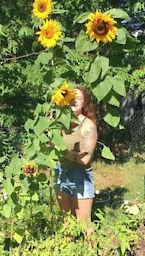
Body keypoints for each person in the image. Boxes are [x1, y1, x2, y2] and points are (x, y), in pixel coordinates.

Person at [54, 84, 98, 236]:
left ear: (84, 102)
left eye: (79, 98)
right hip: (61, 173)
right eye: (71, 97)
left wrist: (61, 150)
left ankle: (92, 251)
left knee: (84, 224)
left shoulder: (88, 126)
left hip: (81, 177)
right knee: (66, 222)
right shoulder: (59, 123)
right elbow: (49, 143)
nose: (74, 101)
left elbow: (84, 159)